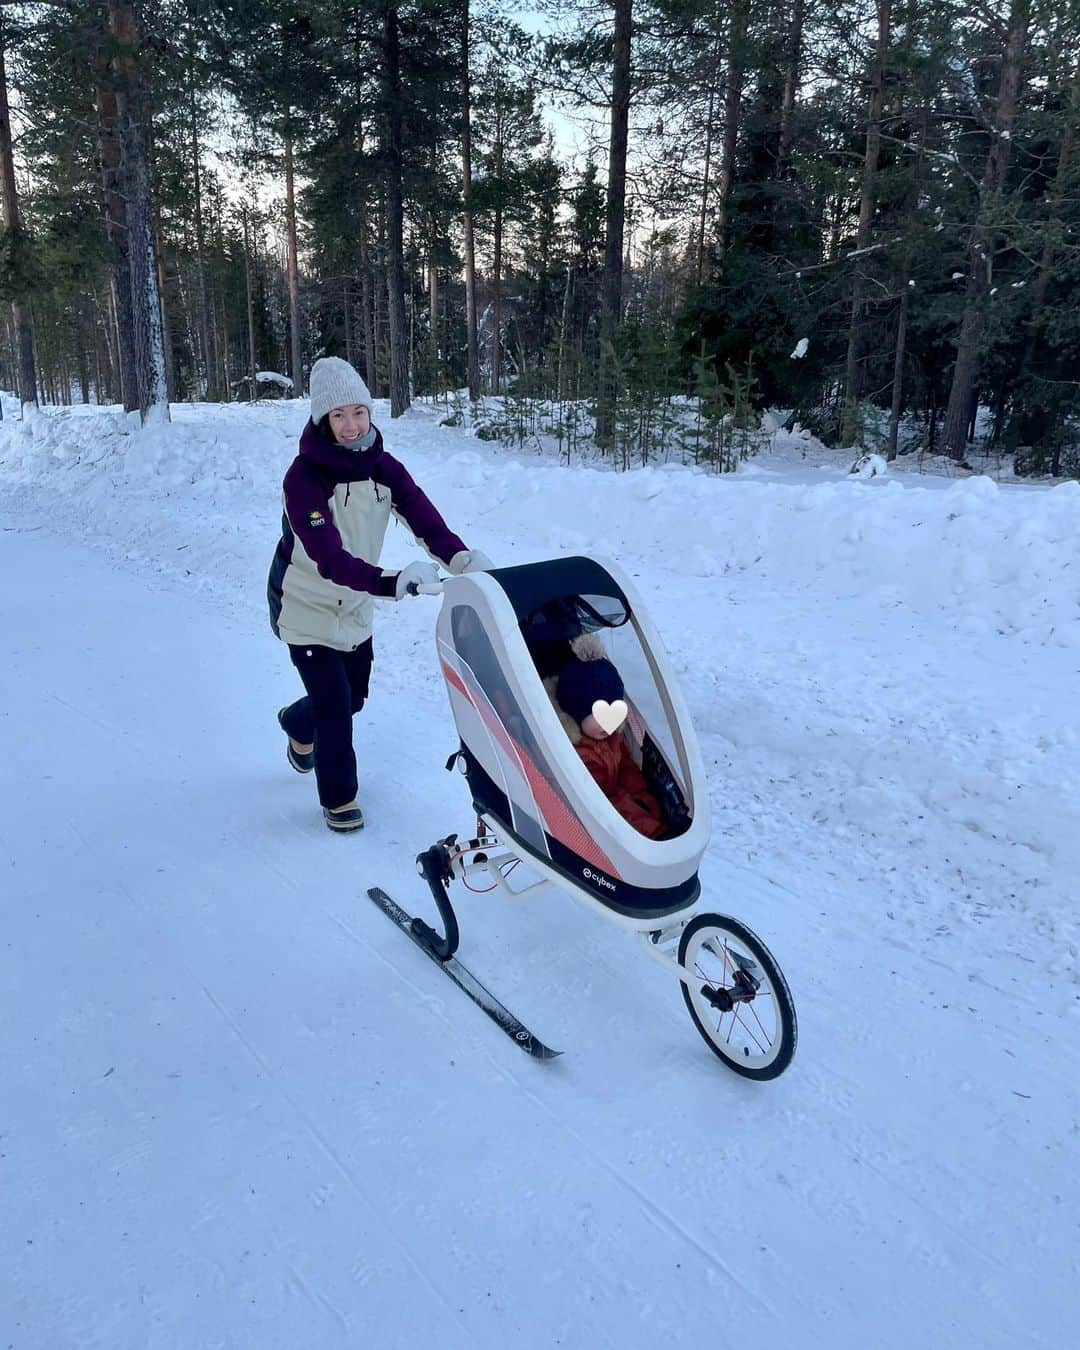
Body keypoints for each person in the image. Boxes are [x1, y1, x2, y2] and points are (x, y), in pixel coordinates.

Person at [268, 356, 491, 831]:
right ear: (322, 421)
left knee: (352, 699)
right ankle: (339, 800)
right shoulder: (304, 479)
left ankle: (295, 725)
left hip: (354, 606)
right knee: (333, 707)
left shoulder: (383, 468)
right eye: (338, 416)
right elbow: (327, 558)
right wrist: (392, 582)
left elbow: (426, 521)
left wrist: (464, 561)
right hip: (305, 603)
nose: (351, 426)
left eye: (359, 412)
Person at [551, 642, 667, 840]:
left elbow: (626, 767)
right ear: (577, 713)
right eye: (599, 712)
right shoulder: (572, 750)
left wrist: (639, 795)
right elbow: (588, 798)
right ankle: (652, 835)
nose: (609, 720)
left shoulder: (612, 738)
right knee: (630, 816)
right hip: (597, 814)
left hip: (619, 799)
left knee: (650, 806)